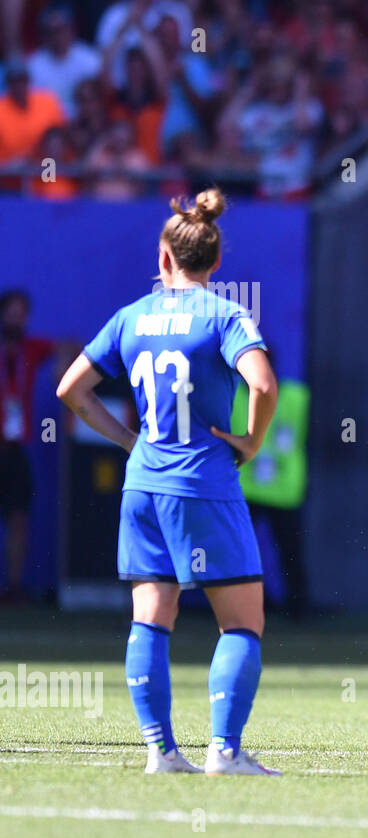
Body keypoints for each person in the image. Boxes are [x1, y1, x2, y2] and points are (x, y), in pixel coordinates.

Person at [56, 188, 282, 776]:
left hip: (143, 485)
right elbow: (261, 384)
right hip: (203, 484)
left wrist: (129, 442)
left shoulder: (132, 316)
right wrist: (251, 442)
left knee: (151, 618)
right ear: (215, 262)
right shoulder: (226, 314)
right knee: (242, 622)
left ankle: (161, 751)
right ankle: (225, 753)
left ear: (164, 259)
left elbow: (70, 391)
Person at [231, 353, 310, 616]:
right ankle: (246, 604)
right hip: (245, 489)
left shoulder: (297, 397)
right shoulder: (232, 396)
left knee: (290, 551)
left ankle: (297, 607)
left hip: (284, 490)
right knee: (239, 550)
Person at [0, 289, 61, 601]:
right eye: (11, 311)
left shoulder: (31, 349)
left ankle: (14, 587)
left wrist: (64, 372)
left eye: (21, 312)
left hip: (15, 448)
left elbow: (71, 349)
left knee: (19, 517)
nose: (16, 317)